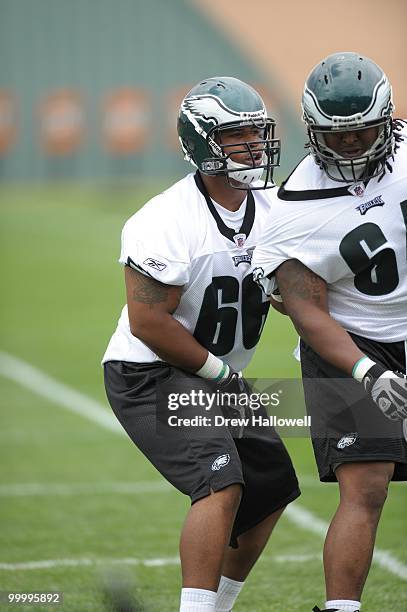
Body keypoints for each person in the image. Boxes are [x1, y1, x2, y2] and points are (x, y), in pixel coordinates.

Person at [102, 76, 300, 612]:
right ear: (201, 143)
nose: (254, 147)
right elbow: (148, 322)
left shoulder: (276, 209)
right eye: (236, 135)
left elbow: (298, 292)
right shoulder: (164, 220)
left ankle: (218, 606)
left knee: (271, 489)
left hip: (215, 374)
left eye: (256, 133)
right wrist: (219, 375)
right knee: (221, 480)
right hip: (150, 372)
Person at [252, 52, 407, 612]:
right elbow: (303, 305)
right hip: (349, 340)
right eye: (334, 137)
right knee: (366, 485)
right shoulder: (293, 207)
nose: (351, 147)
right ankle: (341, 609)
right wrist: (367, 371)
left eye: (362, 133)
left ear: (387, 118)